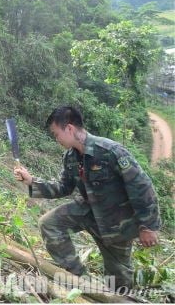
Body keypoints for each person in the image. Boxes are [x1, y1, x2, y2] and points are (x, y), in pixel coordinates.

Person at [14, 106, 160, 292]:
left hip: (117, 223)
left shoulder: (110, 151)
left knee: (119, 280)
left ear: (69, 128)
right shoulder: (70, 157)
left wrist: (147, 226)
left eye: (56, 134)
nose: (56, 139)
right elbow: (63, 187)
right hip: (88, 211)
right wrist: (31, 181)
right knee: (49, 224)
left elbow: (142, 187)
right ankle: (79, 280)